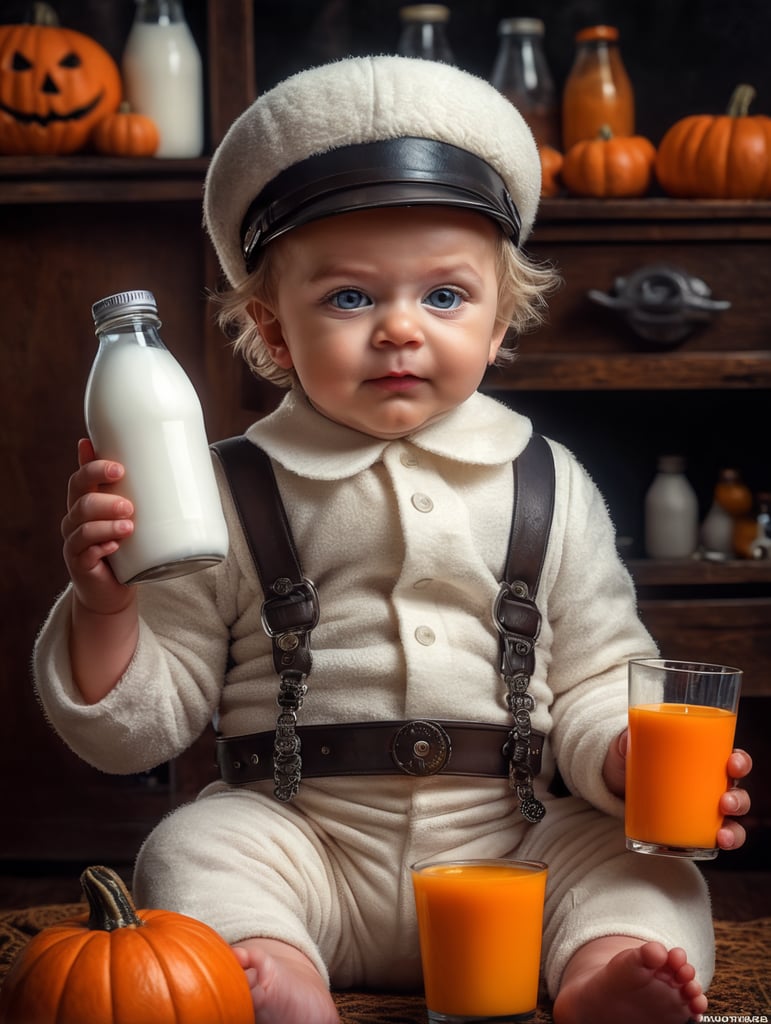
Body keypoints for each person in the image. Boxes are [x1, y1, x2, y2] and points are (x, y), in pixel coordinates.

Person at [33, 56, 752, 1024]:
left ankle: (602, 970)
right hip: (304, 835)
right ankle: (274, 967)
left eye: (445, 297)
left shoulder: (547, 480)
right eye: (349, 299)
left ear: (502, 323)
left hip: (516, 841)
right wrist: (105, 601)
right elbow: (144, 726)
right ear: (272, 331)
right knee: (195, 850)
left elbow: (591, 675)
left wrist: (624, 755)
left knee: (643, 870)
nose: (400, 331)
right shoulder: (219, 486)